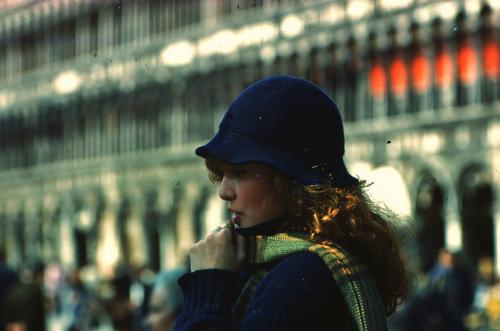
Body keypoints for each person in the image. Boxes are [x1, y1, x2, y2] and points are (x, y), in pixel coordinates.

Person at [173, 75, 410, 330]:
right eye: (222, 175)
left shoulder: (302, 274)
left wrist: (209, 283)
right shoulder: (307, 261)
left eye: (239, 173)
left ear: (288, 180)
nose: (224, 191)